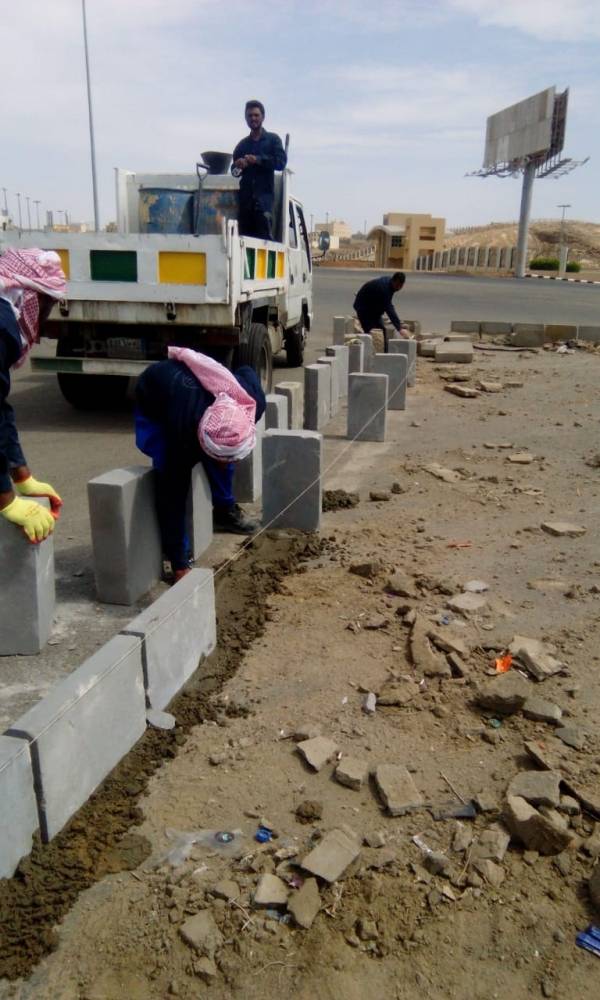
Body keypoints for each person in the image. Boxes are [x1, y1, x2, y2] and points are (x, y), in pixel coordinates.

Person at [135, 347, 266, 582]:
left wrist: (222, 458)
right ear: (201, 439)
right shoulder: (181, 433)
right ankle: (176, 549)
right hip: (156, 391)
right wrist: (179, 563)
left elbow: (246, 369)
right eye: (217, 457)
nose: (227, 464)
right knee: (169, 473)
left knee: (223, 458)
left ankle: (224, 511)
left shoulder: (251, 402)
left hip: (203, 386)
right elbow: (173, 496)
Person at [0, 248, 66, 543]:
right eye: (44, 302)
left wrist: (21, 475)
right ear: (28, 295)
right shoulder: (1, 326)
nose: (44, 313)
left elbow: (1, 409)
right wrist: (6, 499)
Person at [232, 100, 287, 240]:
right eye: (250, 115)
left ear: (263, 117)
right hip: (245, 207)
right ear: (246, 118)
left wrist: (258, 160)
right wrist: (238, 166)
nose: (253, 118)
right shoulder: (242, 145)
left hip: (264, 206)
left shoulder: (273, 140)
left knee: (264, 245)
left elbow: (280, 163)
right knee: (243, 244)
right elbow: (234, 172)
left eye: (256, 115)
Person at [353, 272, 407, 351]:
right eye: (397, 285)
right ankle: (370, 354)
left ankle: (384, 353)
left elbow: (387, 304)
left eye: (401, 286)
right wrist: (399, 328)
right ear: (394, 281)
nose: (398, 288)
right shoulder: (384, 289)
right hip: (364, 309)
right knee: (372, 333)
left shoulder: (390, 284)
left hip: (374, 308)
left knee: (381, 331)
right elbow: (389, 309)